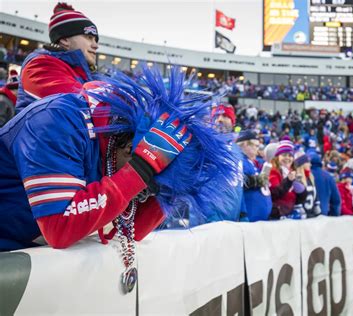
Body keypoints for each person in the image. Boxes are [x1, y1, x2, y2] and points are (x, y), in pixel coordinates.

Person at [0, 68, 235, 252]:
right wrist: (139, 171)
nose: (143, 192)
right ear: (131, 149)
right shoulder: (58, 121)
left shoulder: (111, 148)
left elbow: (128, 233)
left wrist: (164, 191)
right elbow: (58, 228)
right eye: (149, 178)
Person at [16, 3, 99, 111]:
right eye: (89, 37)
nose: (96, 46)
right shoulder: (40, 65)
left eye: (95, 40)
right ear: (65, 39)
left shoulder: (83, 71)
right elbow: (85, 107)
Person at [236, 130, 272, 222]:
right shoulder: (239, 160)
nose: (257, 149)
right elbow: (237, 182)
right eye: (256, 146)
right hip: (250, 217)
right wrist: (256, 180)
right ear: (245, 144)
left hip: (257, 219)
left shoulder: (250, 162)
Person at [269, 141, 307, 219]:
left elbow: (296, 199)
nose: (287, 158)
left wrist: (302, 193)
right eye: (284, 155)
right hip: (278, 215)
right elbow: (274, 193)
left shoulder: (291, 172)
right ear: (277, 157)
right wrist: (288, 181)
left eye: (290, 155)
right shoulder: (273, 171)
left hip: (289, 213)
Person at [308, 151, 341, 216]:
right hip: (323, 216)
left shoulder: (304, 175)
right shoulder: (328, 176)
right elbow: (336, 200)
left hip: (305, 217)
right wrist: (334, 216)